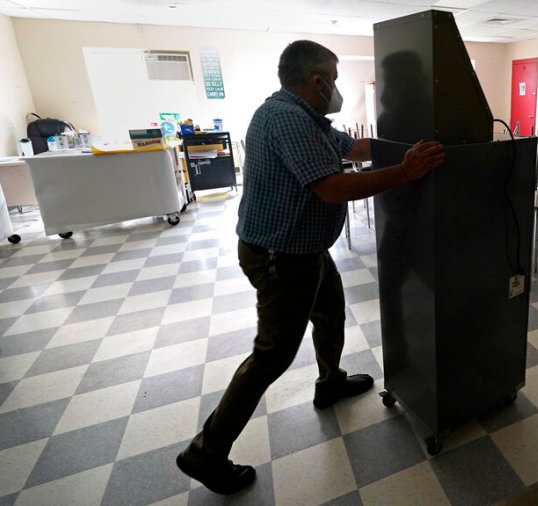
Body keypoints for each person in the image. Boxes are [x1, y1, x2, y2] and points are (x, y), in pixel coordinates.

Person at [176, 40, 446, 495]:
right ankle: (205, 452)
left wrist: (405, 145)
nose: (337, 88)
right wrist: (406, 172)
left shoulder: (305, 117)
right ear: (317, 81)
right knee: (272, 356)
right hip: (281, 256)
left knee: (330, 313)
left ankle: (330, 381)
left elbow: (354, 147)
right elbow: (333, 187)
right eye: (335, 79)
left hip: (306, 249)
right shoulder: (285, 119)